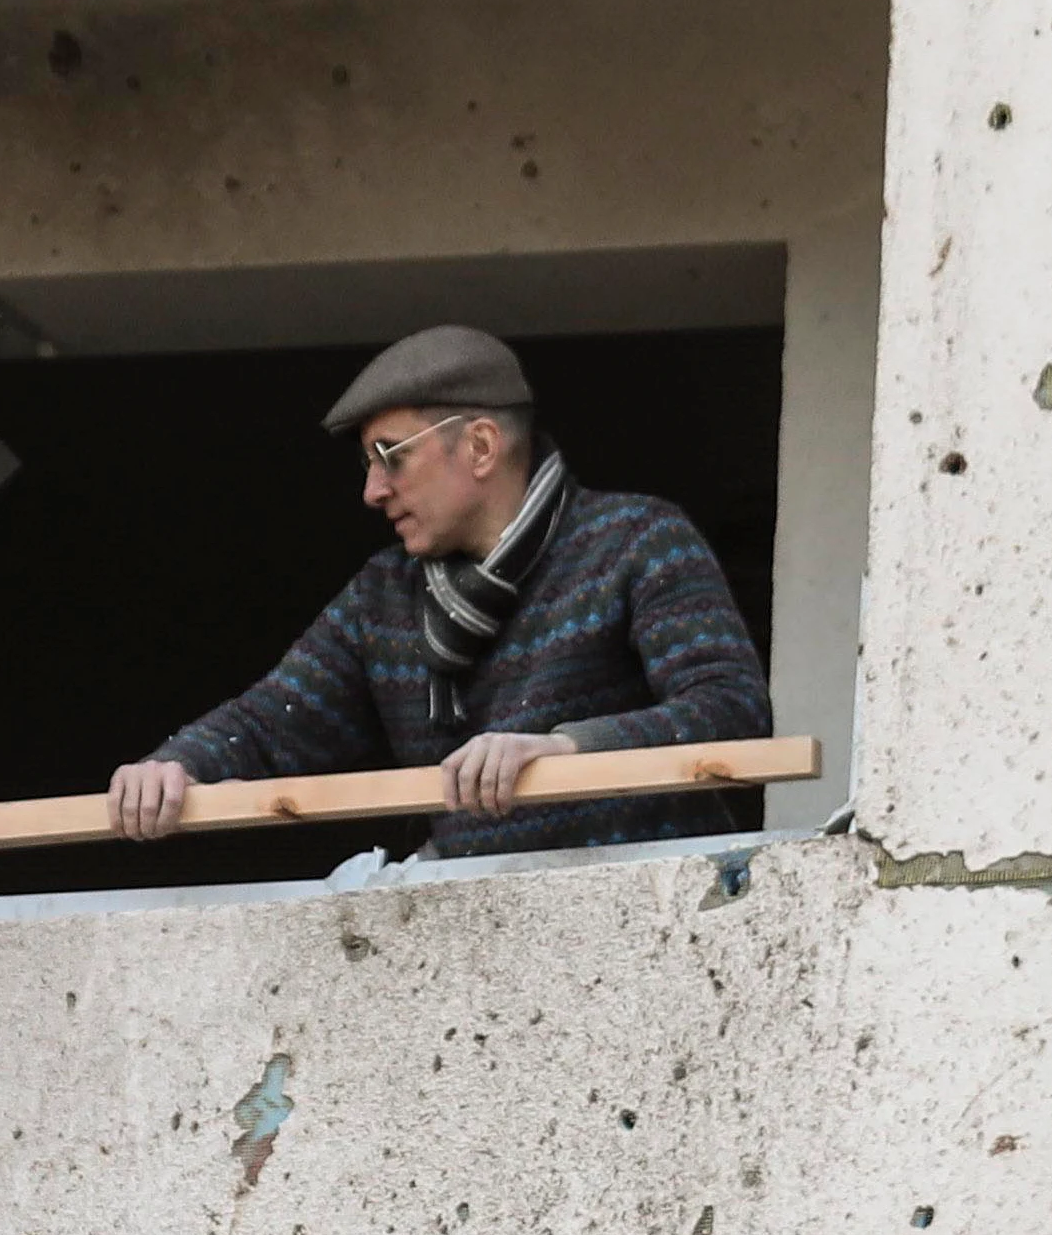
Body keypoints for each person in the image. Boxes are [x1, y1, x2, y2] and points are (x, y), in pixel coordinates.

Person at [106, 326, 772, 856]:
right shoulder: (383, 596)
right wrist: (175, 764)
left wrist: (565, 748)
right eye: (368, 465)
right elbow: (270, 723)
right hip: (470, 938)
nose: (372, 491)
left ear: (481, 446)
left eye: (391, 457)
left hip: (650, 921)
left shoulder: (636, 537)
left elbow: (733, 710)